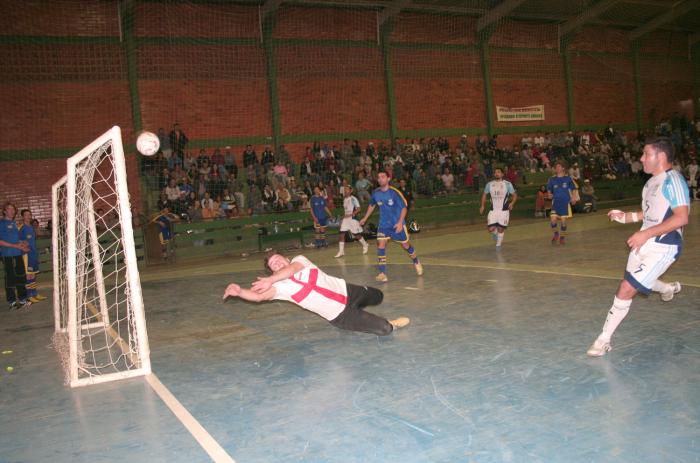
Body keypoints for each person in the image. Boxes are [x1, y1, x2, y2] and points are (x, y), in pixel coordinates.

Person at [587, 137, 690, 357]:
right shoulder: (650, 183)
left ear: (660, 157)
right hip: (645, 241)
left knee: (627, 287)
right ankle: (668, 288)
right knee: (639, 280)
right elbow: (650, 214)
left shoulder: (674, 181)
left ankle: (603, 340)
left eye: (645, 154)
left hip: (665, 245)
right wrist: (625, 217)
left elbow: (681, 218)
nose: (641, 158)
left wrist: (646, 233)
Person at [223, 252, 409, 336]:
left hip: (349, 291)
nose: (277, 264)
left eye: (279, 260)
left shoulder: (299, 261)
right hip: (339, 315)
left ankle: (361, 307)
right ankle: (388, 323)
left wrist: (271, 279)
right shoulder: (280, 287)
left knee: (378, 296)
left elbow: (292, 269)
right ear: (272, 271)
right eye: (273, 265)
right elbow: (259, 296)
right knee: (385, 329)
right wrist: (240, 292)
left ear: (287, 259)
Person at [359, 170, 423, 282]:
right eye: (378, 177)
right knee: (380, 245)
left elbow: (404, 207)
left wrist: (399, 222)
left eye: (383, 177)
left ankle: (416, 261)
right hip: (384, 225)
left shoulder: (394, 193)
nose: (380, 179)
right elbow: (372, 205)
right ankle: (383, 273)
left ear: (388, 179)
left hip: (396, 224)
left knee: (406, 246)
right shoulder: (376, 193)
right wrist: (365, 218)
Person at [0, 203, 31, 310]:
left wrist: (23, 243)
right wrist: (15, 245)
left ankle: (23, 299)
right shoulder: (2, 223)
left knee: (21, 276)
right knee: (10, 278)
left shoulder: (13, 223)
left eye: (13, 209)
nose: (12, 211)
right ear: (4, 211)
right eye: (9, 209)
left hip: (18, 254)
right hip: (8, 255)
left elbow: (15, 239)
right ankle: (12, 302)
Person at [479, 167, 517, 248]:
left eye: (499, 172)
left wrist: (512, 203)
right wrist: (482, 206)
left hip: (504, 211)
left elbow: (514, 195)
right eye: (495, 172)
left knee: (501, 229)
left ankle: (498, 244)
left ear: (502, 174)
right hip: (493, 210)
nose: (497, 173)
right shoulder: (489, 184)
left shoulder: (507, 184)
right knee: (491, 229)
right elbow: (484, 194)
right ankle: (495, 234)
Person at [546, 161, 577, 245]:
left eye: (559, 166)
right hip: (555, 202)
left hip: (565, 203)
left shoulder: (568, 179)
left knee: (563, 222)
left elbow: (573, 189)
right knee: (553, 220)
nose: (557, 168)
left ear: (563, 168)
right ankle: (556, 233)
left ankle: (562, 237)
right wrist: (549, 194)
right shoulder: (552, 179)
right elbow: (549, 190)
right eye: (556, 167)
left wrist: (573, 197)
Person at [19, 209, 46, 303]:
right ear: (23, 216)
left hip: (33, 254)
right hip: (26, 255)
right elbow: (17, 241)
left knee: (33, 274)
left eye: (29, 215)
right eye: (26, 215)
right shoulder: (21, 228)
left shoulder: (31, 227)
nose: (28, 216)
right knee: (28, 275)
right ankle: (29, 295)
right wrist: (23, 245)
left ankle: (34, 293)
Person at [335, 186, 369, 258]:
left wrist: (352, 214)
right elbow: (345, 211)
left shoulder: (353, 199)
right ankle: (341, 251)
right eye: (344, 190)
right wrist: (342, 219)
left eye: (347, 189)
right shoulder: (344, 199)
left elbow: (359, 209)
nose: (345, 191)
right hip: (345, 220)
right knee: (341, 234)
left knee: (356, 235)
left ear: (351, 191)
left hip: (352, 219)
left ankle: (365, 245)